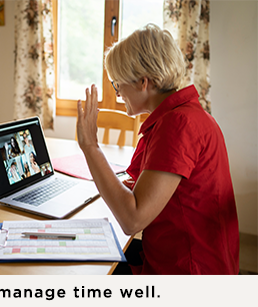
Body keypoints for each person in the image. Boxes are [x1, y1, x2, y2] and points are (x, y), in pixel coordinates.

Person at [76, 24, 239, 274]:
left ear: (143, 82)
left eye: (117, 85)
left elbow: (133, 220)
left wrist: (90, 146)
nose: (118, 94)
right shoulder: (185, 114)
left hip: (189, 273)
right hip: (196, 259)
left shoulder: (177, 125)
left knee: (81, 268)